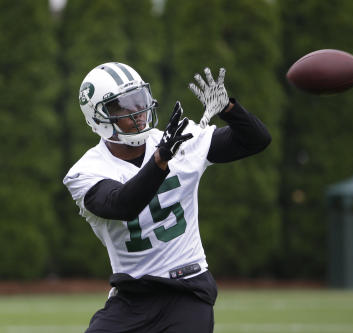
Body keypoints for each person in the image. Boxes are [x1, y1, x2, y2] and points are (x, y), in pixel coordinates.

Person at [64, 62, 271, 333]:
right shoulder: (86, 171)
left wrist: (229, 109)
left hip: (187, 289)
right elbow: (123, 204)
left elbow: (256, 139)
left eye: (138, 100)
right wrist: (161, 158)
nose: (137, 112)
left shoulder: (177, 140)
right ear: (98, 117)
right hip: (132, 296)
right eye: (122, 107)